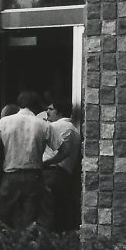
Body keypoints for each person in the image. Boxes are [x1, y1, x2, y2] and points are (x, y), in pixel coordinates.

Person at [0, 90, 65, 230]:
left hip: (10, 176)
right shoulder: (43, 125)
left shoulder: (4, 122)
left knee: (2, 220)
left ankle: (0, 244)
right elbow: (64, 149)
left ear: (19, 104)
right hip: (33, 177)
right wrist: (47, 162)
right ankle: (25, 243)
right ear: (36, 106)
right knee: (29, 222)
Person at [41, 99, 82, 232]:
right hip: (65, 176)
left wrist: (44, 163)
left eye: (51, 109)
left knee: (46, 215)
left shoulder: (53, 126)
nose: (47, 112)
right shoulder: (75, 131)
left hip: (50, 173)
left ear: (60, 112)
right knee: (59, 215)